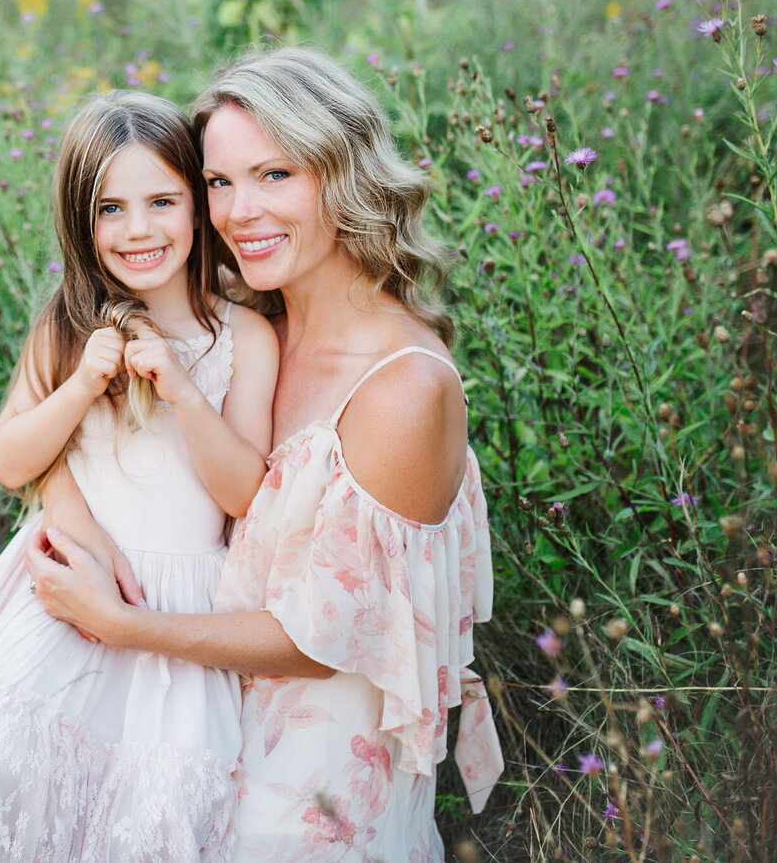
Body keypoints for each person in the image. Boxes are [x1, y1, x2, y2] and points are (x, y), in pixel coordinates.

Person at [26, 47, 503, 862]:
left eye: (275, 175)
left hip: (315, 790)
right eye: (218, 183)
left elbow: (321, 639)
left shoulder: (403, 389)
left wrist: (123, 623)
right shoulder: (254, 337)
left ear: (343, 176)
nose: (239, 210)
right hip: (209, 726)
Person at [0, 89, 279, 862]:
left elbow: (243, 496)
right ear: (80, 221)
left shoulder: (245, 336)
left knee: (150, 808)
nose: (138, 230)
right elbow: (12, 459)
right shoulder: (65, 324)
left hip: (179, 601)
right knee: (10, 764)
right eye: (110, 209)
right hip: (63, 591)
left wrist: (183, 390)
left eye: (162, 200)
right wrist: (80, 386)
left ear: (197, 206)